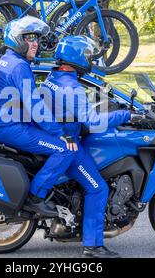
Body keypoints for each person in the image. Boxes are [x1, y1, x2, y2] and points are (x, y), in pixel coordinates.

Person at [41, 35, 132, 258]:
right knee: (98, 188)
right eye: (88, 56)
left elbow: (72, 109)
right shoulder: (71, 86)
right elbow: (93, 121)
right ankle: (92, 246)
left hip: (55, 138)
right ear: (77, 57)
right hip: (69, 146)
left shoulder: (55, 77)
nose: (90, 60)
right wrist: (125, 115)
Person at [0, 16, 79, 218]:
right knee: (65, 149)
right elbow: (34, 106)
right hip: (12, 128)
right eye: (30, 38)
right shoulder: (19, 66)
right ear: (17, 39)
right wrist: (60, 132)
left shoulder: (5, 61)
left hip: (7, 124)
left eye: (37, 38)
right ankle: (35, 197)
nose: (36, 43)